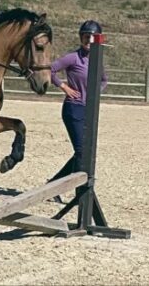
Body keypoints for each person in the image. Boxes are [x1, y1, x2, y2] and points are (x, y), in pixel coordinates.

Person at [47, 19, 108, 199]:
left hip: (89, 111)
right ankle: (78, 193)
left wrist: (95, 93)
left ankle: (52, 186)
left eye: (92, 37)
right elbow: (50, 70)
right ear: (81, 38)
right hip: (73, 109)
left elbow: (104, 80)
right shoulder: (73, 58)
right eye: (85, 37)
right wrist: (64, 86)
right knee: (82, 151)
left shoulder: (97, 60)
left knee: (83, 152)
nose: (88, 41)